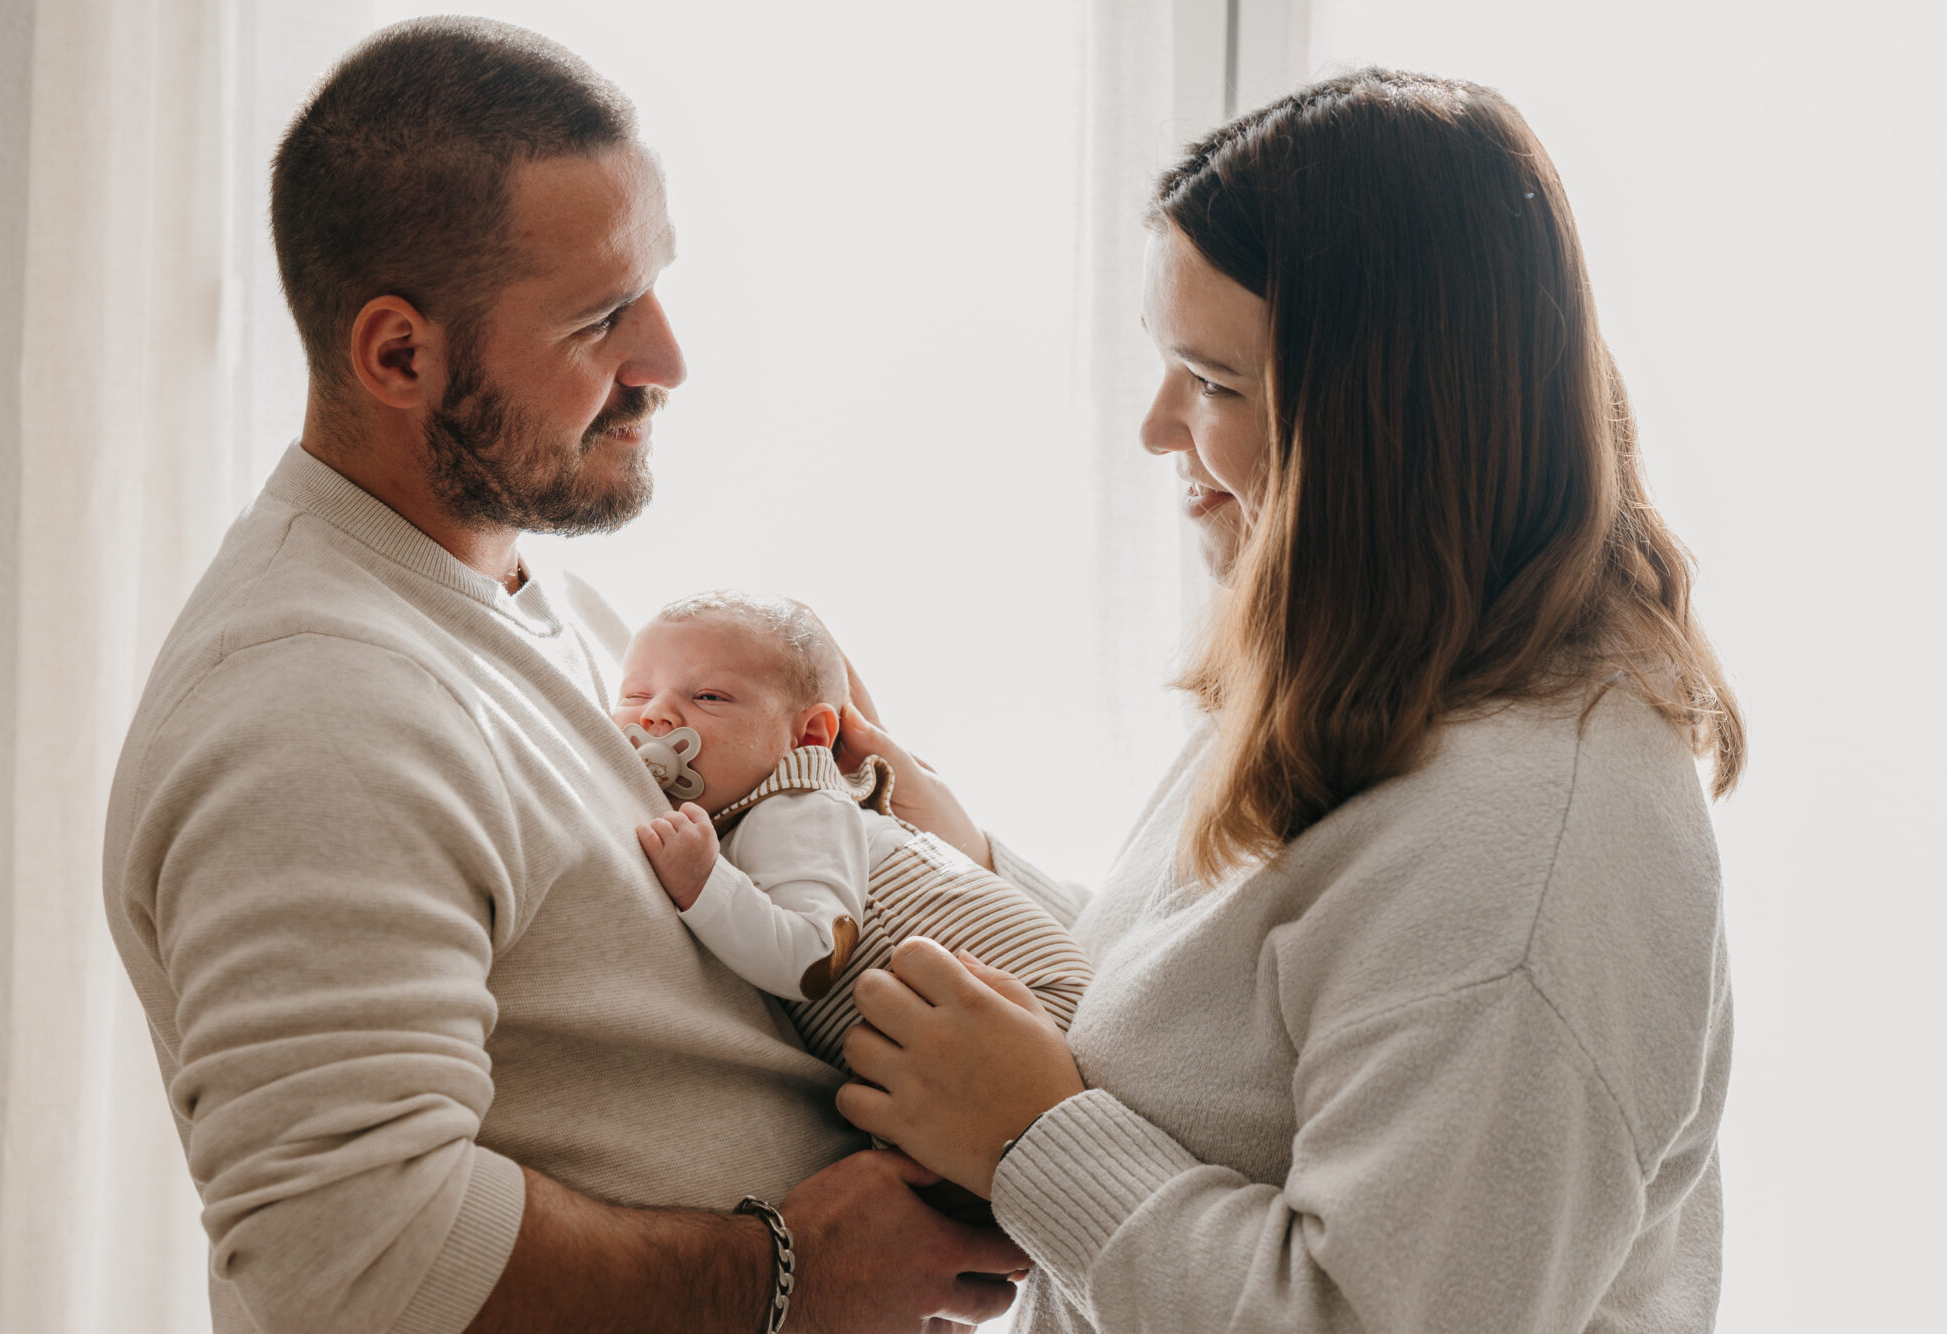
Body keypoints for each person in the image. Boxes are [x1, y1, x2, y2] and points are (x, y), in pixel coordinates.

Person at [101, 18, 1031, 1334]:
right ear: (399, 357)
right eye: (602, 318)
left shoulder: (550, 604)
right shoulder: (316, 710)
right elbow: (347, 1252)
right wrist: (790, 1275)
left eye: (653, 286)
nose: (667, 360)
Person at [831, 69, 1743, 1333]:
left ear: (1377, 427)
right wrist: (976, 871)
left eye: (1211, 383)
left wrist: (1033, 1140)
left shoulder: (1529, 850)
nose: (1158, 428)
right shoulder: (1384, 674)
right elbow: (1247, 1025)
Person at [615, 591, 1092, 1065]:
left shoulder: (798, 810)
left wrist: (702, 883)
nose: (654, 713)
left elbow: (813, 958)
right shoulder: (761, 816)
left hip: (1035, 1006)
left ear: (808, 737)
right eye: (635, 695)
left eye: (708, 697)